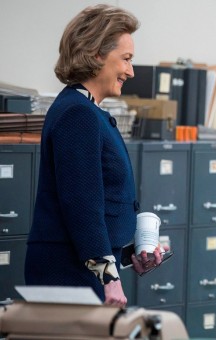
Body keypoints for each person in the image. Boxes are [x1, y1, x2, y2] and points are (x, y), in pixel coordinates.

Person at [25, 4, 166, 307]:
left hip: (81, 268)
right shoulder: (78, 113)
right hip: (68, 274)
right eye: (126, 59)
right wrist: (109, 277)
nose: (130, 71)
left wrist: (128, 257)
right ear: (97, 54)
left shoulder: (87, 110)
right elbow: (82, 205)